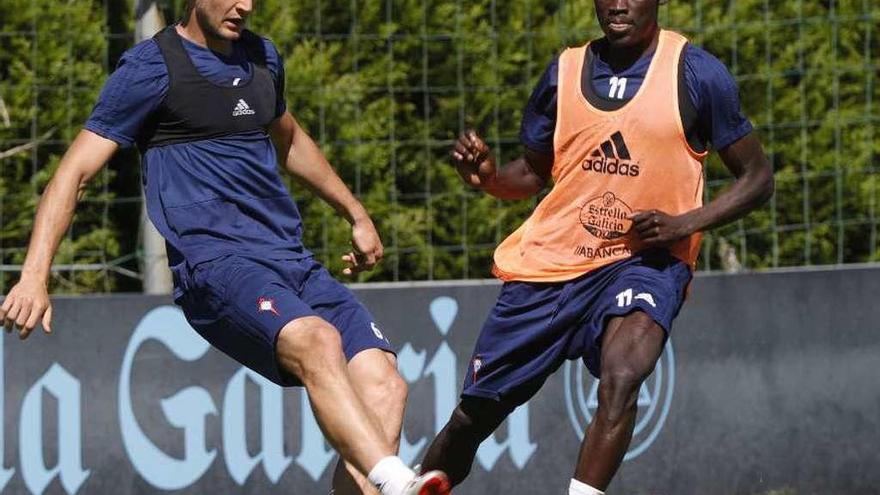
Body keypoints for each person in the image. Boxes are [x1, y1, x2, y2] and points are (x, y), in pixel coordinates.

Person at [0, 1, 451, 494]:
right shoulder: (152, 67)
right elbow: (75, 172)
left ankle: (385, 484)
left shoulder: (262, 57)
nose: (247, 5)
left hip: (290, 260)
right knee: (317, 340)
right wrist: (34, 275)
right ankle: (397, 481)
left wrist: (356, 214)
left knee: (384, 381)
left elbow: (290, 139)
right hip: (216, 266)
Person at [419, 0, 774, 493]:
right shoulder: (563, 73)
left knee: (624, 375)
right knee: (472, 418)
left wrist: (683, 225)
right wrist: (488, 178)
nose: (618, 4)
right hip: (552, 266)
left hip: (646, 262)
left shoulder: (695, 73)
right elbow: (533, 175)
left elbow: (757, 178)